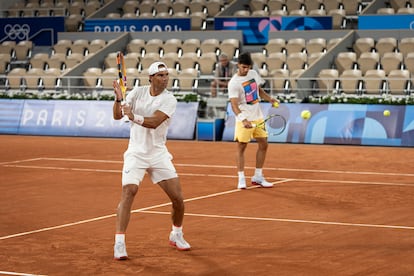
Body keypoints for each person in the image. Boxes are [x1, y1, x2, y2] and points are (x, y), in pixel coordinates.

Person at [112, 61, 191, 260]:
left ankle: (176, 233)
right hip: (136, 153)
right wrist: (118, 99)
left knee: (178, 200)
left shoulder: (169, 99)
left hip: (158, 154)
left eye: (166, 75)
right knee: (129, 191)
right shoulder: (137, 93)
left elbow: (154, 122)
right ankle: (119, 243)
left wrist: (134, 116)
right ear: (151, 78)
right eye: (161, 75)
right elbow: (116, 115)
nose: (165, 79)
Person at [228, 52, 279, 189]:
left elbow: (258, 90)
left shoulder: (253, 74)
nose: (246, 70)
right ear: (238, 65)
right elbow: (233, 105)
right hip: (244, 119)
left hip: (258, 117)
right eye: (243, 67)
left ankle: (258, 176)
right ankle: (241, 178)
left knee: (264, 144)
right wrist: (243, 119)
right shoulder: (233, 83)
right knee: (241, 147)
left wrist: (270, 99)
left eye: (248, 67)